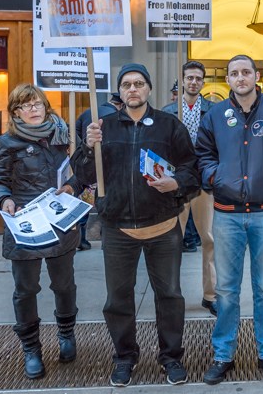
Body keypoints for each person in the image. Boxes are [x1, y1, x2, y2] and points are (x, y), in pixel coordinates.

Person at [70, 63, 200, 388]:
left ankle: (171, 358)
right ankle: (124, 358)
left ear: (148, 89)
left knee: (169, 296)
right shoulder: (104, 128)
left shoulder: (170, 126)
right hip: (118, 229)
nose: (133, 89)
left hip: (163, 226)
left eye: (139, 83)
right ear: (120, 91)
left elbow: (192, 170)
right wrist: (88, 146)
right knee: (118, 299)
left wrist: (177, 184)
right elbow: (85, 176)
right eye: (127, 84)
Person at [196, 54, 263, 385]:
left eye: (246, 72)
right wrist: (218, 178)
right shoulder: (215, 115)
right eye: (234, 73)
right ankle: (223, 354)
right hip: (227, 215)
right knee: (226, 291)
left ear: (256, 76)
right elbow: (203, 155)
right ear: (227, 79)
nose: (240, 77)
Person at [0, 83, 82, 380]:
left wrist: (73, 186)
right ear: (16, 112)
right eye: (25, 106)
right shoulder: (8, 142)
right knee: (26, 290)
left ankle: (66, 335)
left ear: (46, 107)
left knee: (64, 285)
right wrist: (3, 199)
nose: (32, 110)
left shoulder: (62, 136)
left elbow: (76, 172)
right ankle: (31, 348)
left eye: (36, 104)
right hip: (26, 226)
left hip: (59, 224)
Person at [162, 60, 218, 316]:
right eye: (189, 78)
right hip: (178, 183)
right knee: (173, 240)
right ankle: (172, 295)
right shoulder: (168, 112)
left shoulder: (214, 111)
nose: (193, 82)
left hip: (204, 183)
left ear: (202, 82)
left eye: (198, 78)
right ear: (182, 81)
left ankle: (211, 294)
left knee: (209, 238)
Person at [74, 92, 124, 250]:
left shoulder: (86, 113)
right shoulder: (115, 115)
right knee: (107, 204)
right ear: (120, 105)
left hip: (88, 165)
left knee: (84, 203)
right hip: (107, 167)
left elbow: (77, 135)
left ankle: (81, 239)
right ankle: (106, 238)